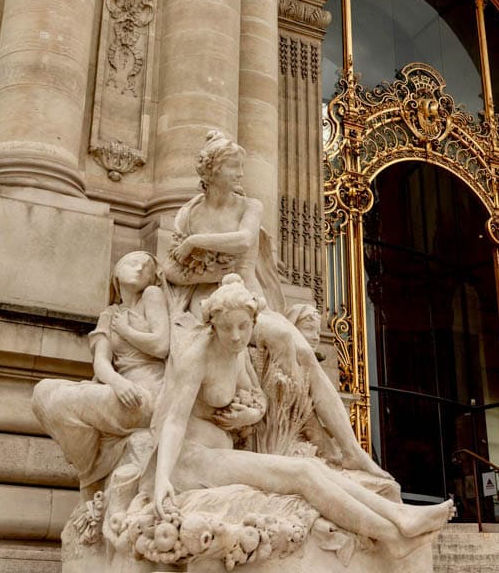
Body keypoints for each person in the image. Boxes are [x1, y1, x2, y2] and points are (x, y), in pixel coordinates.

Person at [153, 274, 454, 559]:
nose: (236, 336)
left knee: (312, 468)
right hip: (191, 460)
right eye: (227, 328)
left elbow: (257, 399)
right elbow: (174, 420)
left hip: (218, 453)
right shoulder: (197, 357)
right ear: (212, 325)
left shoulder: (238, 352)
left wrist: (250, 415)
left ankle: (399, 519)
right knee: (303, 474)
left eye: (244, 327)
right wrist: (162, 479)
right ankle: (394, 531)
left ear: (253, 322)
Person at [163, 130, 390, 480]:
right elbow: (171, 270)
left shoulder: (249, 207)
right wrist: (199, 268)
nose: (241, 174)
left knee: (299, 349)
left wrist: (196, 243)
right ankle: (311, 434)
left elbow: (242, 241)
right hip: (209, 309)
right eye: (234, 167)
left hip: (254, 307)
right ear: (212, 172)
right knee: (286, 342)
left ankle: (349, 450)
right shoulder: (189, 213)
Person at [32, 251, 169, 496]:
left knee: (63, 402)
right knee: (42, 392)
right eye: (132, 262)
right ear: (116, 274)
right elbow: (101, 363)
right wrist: (118, 383)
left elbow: (161, 345)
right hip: (123, 389)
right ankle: (91, 472)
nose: (139, 268)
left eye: (146, 266)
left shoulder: (152, 295)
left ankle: (88, 479)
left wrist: (125, 331)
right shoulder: (109, 314)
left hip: (149, 393)